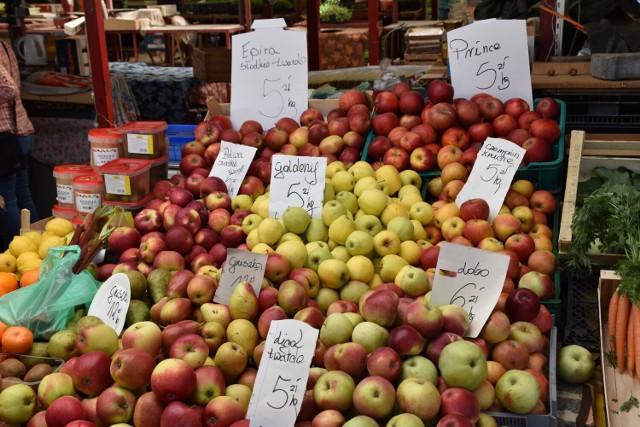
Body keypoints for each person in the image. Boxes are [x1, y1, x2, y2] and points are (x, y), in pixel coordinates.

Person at [0, 39, 38, 251]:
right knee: (23, 196)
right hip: (20, 131)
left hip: (5, 138)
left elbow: (8, 88)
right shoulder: (4, 44)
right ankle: (36, 248)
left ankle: (17, 254)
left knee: (7, 202)